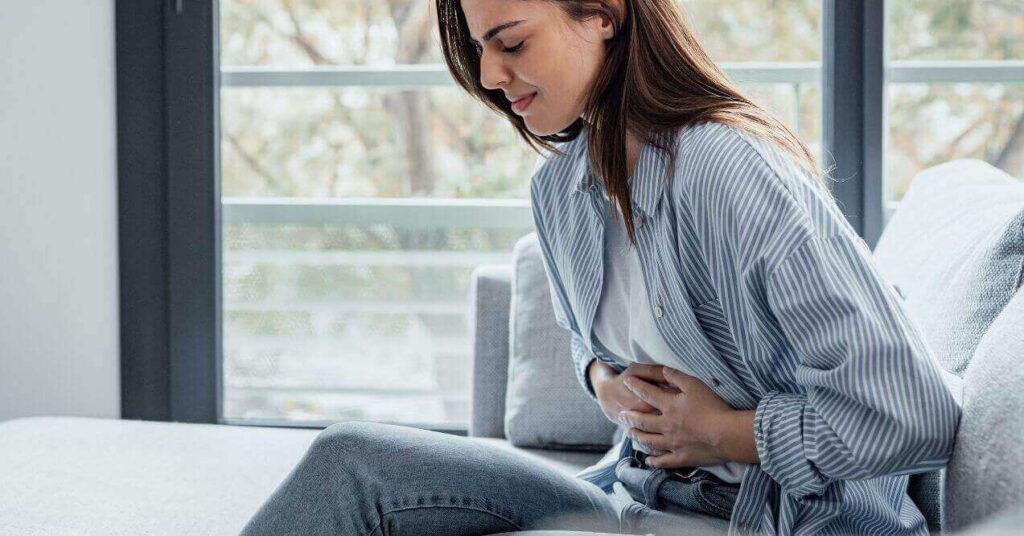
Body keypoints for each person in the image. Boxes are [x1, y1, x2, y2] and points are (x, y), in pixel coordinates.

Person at [241, 1, 961, 534]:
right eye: (479, 50)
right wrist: (608, 386)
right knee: (350, 462)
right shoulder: (559, 189)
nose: (491, 76)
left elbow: (914, 413)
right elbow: (593, 343)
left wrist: (722, 432)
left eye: (511, 41)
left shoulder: (726, 170)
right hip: (635, 496)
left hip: (780, 519)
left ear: (604, 15)